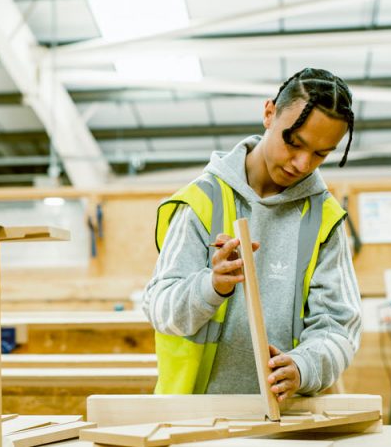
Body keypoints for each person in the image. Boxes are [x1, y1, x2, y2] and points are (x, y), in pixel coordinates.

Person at [142, 68, 362, 401]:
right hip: (192, 417)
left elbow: (340, 329)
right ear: (269, 113)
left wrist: (303, 367)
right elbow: (159, 309)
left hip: (285, 424)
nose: (302, 164)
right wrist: (211, 286)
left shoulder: (325, 219)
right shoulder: (203, 200)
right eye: (294, 142)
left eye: (320, 154)